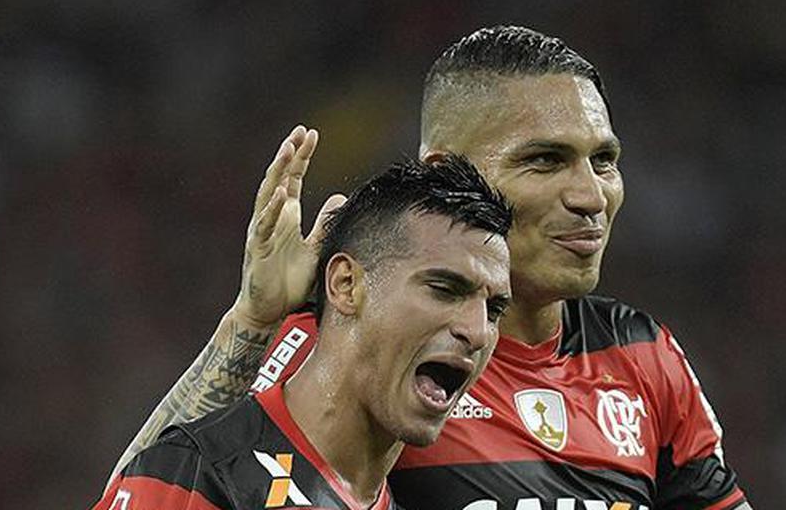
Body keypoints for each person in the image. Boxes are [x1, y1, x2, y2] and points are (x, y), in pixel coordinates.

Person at [106, 26, 752, 509]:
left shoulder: (641, 356)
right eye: (546, 161)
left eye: (603, 160)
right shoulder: (369, 345)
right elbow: (160, 486)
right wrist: (252, 323)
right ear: (448, 172)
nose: (590, 196)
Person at [92, 148, 513, 509]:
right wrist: (254, 320)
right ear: (346, 285)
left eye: (494, 309)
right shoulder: (204, 476)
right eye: (444, 289)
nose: (476, 332)